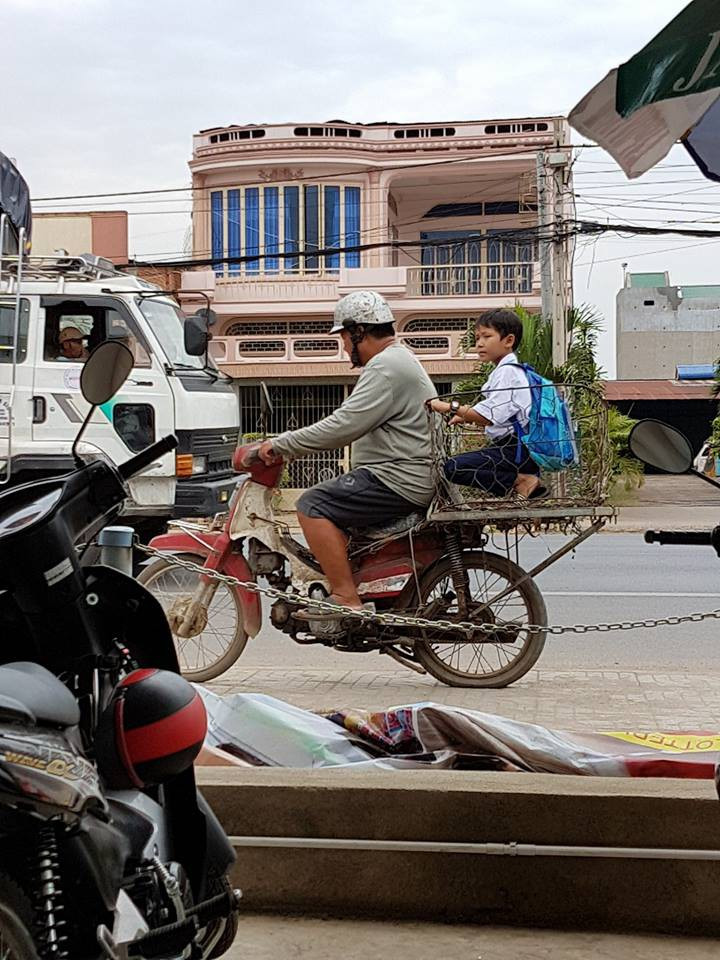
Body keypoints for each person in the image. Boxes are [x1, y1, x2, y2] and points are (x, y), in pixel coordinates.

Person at [258, 290, 436, 618]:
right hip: (401, 473)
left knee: (311, 505)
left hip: (397, 478)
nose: (343, 347)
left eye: (343, 337)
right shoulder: (398, 359)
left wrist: (281, 444)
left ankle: (345, 597)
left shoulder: (384, 367)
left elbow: (343, 426)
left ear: (358, 332)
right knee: (336, 497)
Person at [429, 309, 546, 500]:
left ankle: (521, 482)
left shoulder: (507, 373)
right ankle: (522, 483)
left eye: (487, 336)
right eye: (477, 338)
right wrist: (464, 416)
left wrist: (449, 406)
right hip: (516, 449)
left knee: (453, 467)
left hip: (514, 449)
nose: (479, 344)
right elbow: (498, 414)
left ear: (508, 341)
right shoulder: (510, 371)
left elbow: (489, 416)